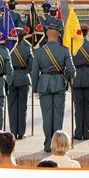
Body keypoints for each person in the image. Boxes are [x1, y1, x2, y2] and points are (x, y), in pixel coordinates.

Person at [31, 19, 76, 152]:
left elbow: (34, 73)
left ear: (47, 34)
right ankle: (58, 145)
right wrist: (66, 76)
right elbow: (72, 71)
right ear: (59, 34)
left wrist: (35, 89)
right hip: (59, 85)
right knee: (58, 115)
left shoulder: (38, 52)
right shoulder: (64, 50)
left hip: (43, 84)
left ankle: (47, 145)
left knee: (46, 116)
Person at [72, 25, 89, 140]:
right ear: (87, 33)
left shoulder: (73, 46)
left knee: (78, 107)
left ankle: (78, 133)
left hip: (76, 77)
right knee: (88, 106)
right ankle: (87, 132)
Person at [8, 28, 33, 139]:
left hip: (11, 78)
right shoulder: (27, 48)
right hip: (23, 77)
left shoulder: (8, 48)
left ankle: (13, 131)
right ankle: (21, 132)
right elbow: (31, 65)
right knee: (22, 107)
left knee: (12, 106)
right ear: (24, 36)